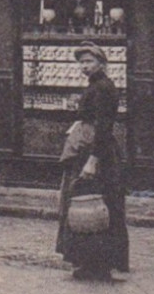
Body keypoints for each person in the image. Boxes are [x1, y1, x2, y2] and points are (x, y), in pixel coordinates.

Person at [55, 42, 130, 281]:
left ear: (101, 63)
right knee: (86, 204)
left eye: (89, 62)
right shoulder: (95, 86)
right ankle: (89, 261)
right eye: (81, 62)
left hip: (98, 153)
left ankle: (99, 264)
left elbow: (104, 127)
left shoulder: (104, 88)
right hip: (89, 149)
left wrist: (93, 160)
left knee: (96, 205)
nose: (84, 66)